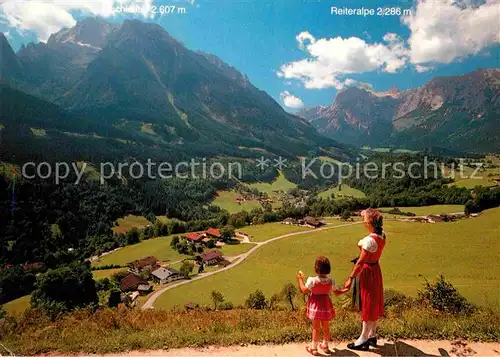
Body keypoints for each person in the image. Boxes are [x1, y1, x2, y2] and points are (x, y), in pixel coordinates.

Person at [344, 208, 386, 351]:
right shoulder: (382, 235)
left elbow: (360, 263)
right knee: (373, 303)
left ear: (369, 222)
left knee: (367, 304)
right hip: (376, 270)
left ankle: (363, 340)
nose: (363, 220)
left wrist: (350, 278)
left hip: (367, 271)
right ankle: (372, 335)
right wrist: (365, 212)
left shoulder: (369, 241)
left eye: (365, 219)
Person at [297, 256, 348, 356]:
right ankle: (325, 346)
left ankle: (314, 348)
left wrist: (300, 279)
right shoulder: (331, 281)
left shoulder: (312, 280)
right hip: (325, 305)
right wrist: (345, 289)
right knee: (326, 327)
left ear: (316, 269)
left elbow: (304, 290)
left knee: (316, 328)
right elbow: (336, 292)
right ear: (328, 268)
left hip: (315, 305)